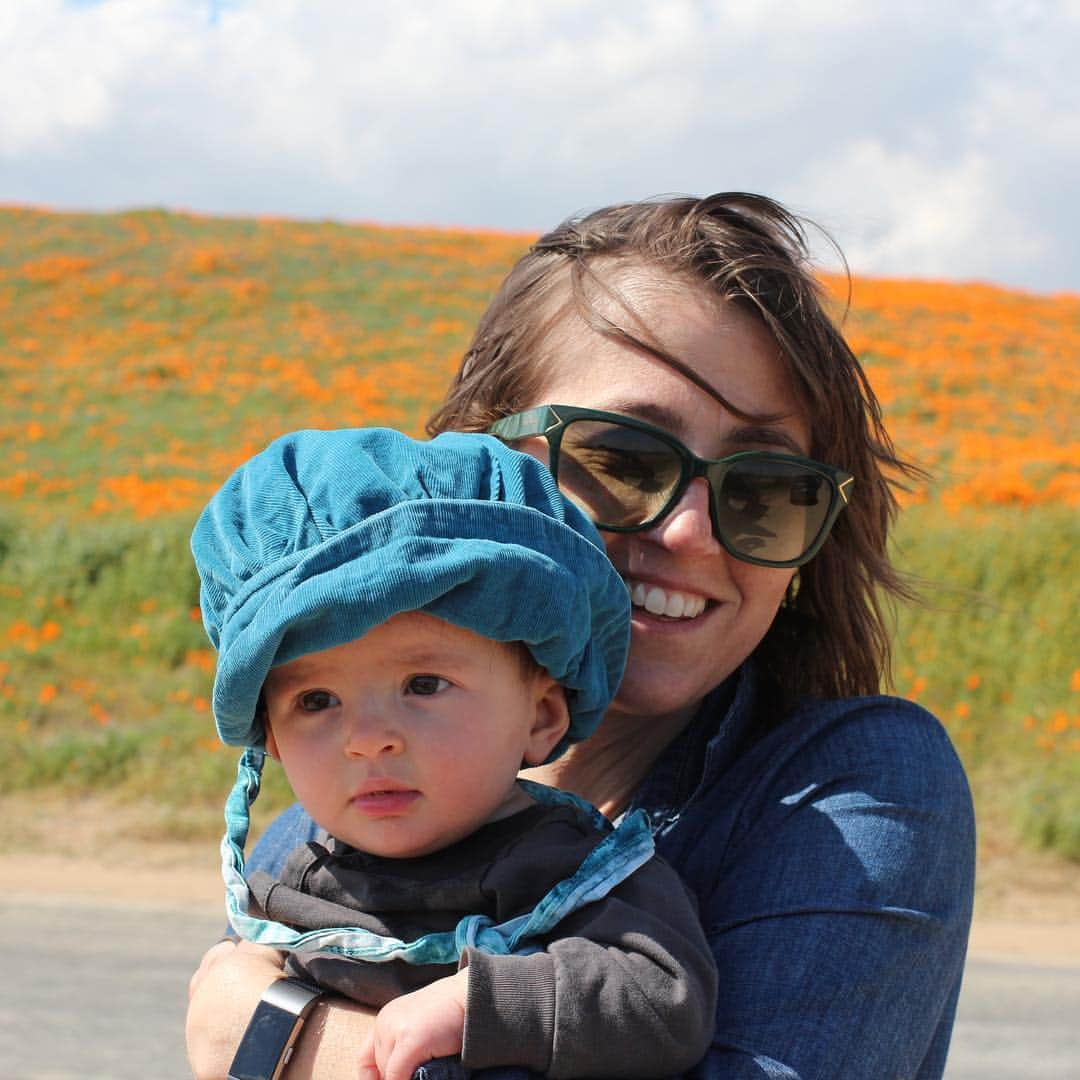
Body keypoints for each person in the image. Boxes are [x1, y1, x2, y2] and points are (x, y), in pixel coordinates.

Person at [187, 192, 976, 1080]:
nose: (691, 533)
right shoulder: (326, 821)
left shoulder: (849, 794)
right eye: (621, 459)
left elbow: (239, 1024)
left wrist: (282, 1044)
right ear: (479, 460)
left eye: (766, 488)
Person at [191, 426, 718, 1080]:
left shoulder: (575, 871)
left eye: (424, 685)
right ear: (270, 737)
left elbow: (664, 999)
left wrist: (483, 1006)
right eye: (317, 701)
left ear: (543, 714)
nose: (367, 738)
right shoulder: (298, 879)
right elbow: (223, 1015)